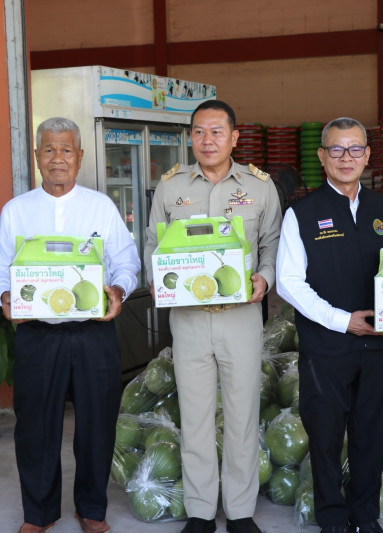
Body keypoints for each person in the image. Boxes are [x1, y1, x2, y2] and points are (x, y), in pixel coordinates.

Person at [0, 117, 140, 533]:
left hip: (93, 333)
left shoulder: (100, 207)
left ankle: (91, 509)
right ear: (37, 156)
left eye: (67, 150)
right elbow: (0, 268)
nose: (58, 158)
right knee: (35, 427)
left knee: (97, 425)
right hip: (38, 333)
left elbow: (127, 261)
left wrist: (119, 289)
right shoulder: (17, 211)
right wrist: (5, 295)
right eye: (49, 149)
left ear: (80, 156)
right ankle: (39, 514)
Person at [144, 100, 281, 533]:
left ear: (234, 138)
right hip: (188, 319)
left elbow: (272, 242)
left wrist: (264, 278)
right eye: (200, 132)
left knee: (242, 416)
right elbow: (152, 243)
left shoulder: (260, 187)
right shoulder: (171, 187)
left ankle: (239, 511)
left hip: (241, 318)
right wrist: (156, 277)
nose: (208, 140)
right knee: (196, 417)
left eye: (217, 132)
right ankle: (201, 511)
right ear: (191, 137)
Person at [276, 117, 383, 533]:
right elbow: (288, 282)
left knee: (372, 434)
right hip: (327, 346)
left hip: (380, 344)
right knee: (325, 435)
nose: (346, 158)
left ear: (367, 156)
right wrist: (342, 321)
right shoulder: (302, 212)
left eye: (355, 149)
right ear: (322, 155)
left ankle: (365, 515)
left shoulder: (382, 208)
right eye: (336, 149)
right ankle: (332, 516)